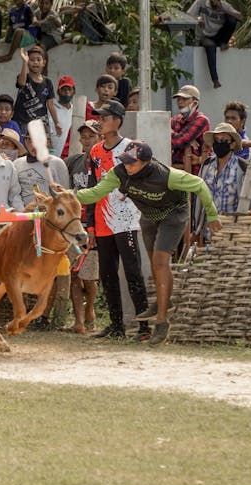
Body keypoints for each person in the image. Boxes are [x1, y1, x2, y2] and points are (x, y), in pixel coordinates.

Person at [74, 139, 222, 345]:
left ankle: (162, 321)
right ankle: (164, 300)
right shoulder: (120, 174)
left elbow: (199, 185)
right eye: (125, 161)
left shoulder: (166, 175)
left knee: (161, 261)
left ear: (146, 162)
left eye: (132, 163)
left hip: (173, 214)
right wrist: (70, 195)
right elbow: (94, 193)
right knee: (155, 264)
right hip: (149, 217)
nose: (127, 166)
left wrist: (212, 215)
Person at [85, 100, 148, 340]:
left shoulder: (131, 148)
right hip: (101, 221)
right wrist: (90, 224)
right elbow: (92, 187)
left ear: (117, 121)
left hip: (126, 220)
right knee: (107, 274)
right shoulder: (94, 151)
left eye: (104, 118)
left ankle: (144, 327)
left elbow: (141, 179)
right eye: (99, 118)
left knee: (133, 272)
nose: (100, 122)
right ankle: (116, 326)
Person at [65, 120, 101, 333]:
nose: (87, 140)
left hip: (94, 225)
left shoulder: (103, 163)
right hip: (74, 225)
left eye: (91, 136)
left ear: (99, 138)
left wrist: (94, 227)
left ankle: (91, 311)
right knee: (73, 274)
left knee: (89, 276)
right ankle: (78, 320)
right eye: (84, 137)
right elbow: (54, 167)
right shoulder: (74, 161)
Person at [194, 122, 251, 242]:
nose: (219, 143)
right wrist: (197, 229)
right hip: (208, 235)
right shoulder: (206, 166)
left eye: (223, 140)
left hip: (233, 235)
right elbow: (199, 200)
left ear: (232, 144)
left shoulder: (243, 169)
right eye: (216, 140)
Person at [187, 0, 243, 88]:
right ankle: (215, 80)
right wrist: (198, 19)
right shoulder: (200, 3)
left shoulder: (225, 5)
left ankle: (224, 43)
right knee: (210, 46)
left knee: (232, 19)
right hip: (204, 36)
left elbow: (240, 17)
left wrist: (223, 9)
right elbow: (188, 15)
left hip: (218, 36)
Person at [12, 45, 61, 138]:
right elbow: (21, 83)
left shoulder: (48, 82)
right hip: (22, 122)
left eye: (38, 59)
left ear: (44, 63)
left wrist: (56, 122)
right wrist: (24, 63)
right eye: (31, 60)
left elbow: (50, 105)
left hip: (40, 124)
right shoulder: (23, 77)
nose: (35, 62)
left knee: (40, 151)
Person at [14, 132, 69, 206]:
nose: (34, 145)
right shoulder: (17, 164)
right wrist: (22, 211)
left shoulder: (57, 163)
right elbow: (14, 194)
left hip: (49, 214)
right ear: (25, 141)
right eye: (30, 141)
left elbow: (65, 194)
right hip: (24, 214)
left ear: (47, 142)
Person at [171, 84, 210, 174]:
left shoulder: (202, 120)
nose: (180, 102)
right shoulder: (176, 119)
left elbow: (179, 141)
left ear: (195, 103)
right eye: (178, 99)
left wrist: (179, 137)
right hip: (176, 170)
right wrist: (186, 139)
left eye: (184, 99)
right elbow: (162, 132)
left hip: (196, 173)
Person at [50, 75, 75, 158]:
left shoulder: (76, 112)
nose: (66, 92)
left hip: (69, 156)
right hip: (51, 154)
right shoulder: (51, 109)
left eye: (69, 89)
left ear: (74, 91)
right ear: (58, 92)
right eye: (63, 89)